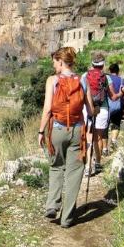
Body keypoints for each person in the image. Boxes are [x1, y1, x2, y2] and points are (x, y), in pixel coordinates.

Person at [38, 47, 95, 228]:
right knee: (74, 173)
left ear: (61, 62)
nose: (54, 66)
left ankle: (52, 205)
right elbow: (91, 110)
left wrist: (41, 132)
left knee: (56, 167)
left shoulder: (52, 81)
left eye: (55, 62)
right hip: (78, 130)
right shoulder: (82, 81)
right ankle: (67, 218)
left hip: (57, 129)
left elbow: (47, 110)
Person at [81, 53, 124, 176]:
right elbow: (114, 97)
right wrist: (121, 93)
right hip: (102, 108)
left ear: (92, 64)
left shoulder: (85, 76)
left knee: (89, 136)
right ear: (103, 65)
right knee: (98, 137)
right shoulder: (106, 77)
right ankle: (98, 163)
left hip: (87, 108)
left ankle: (88, 166)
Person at [107, 63, 124, 149]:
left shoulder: (106, 79)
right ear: (118, 71)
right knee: (116, 124)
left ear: (110, 71)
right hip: (118, 106)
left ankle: (104, 147)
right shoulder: (122, 81)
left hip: (107, 106)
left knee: (105, 126)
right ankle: (114, 140)